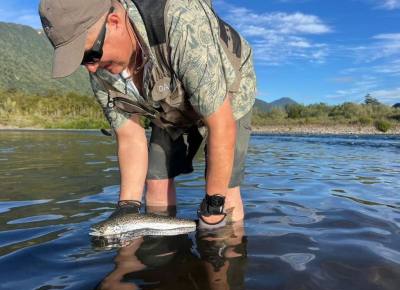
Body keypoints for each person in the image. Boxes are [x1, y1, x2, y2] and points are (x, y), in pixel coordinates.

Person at [39, 0, 256, 228]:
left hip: (229, 87)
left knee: (225, 191)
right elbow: (130, 138)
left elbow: (221, 125)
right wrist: (127, 210)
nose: (91, 69)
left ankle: (224, 256)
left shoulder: (181, 21)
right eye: (81, 60)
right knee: (156, 181)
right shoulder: (100, 67)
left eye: (90, 55)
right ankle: (162, 255)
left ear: (113, 22)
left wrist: (213, 208)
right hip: (166, 96)